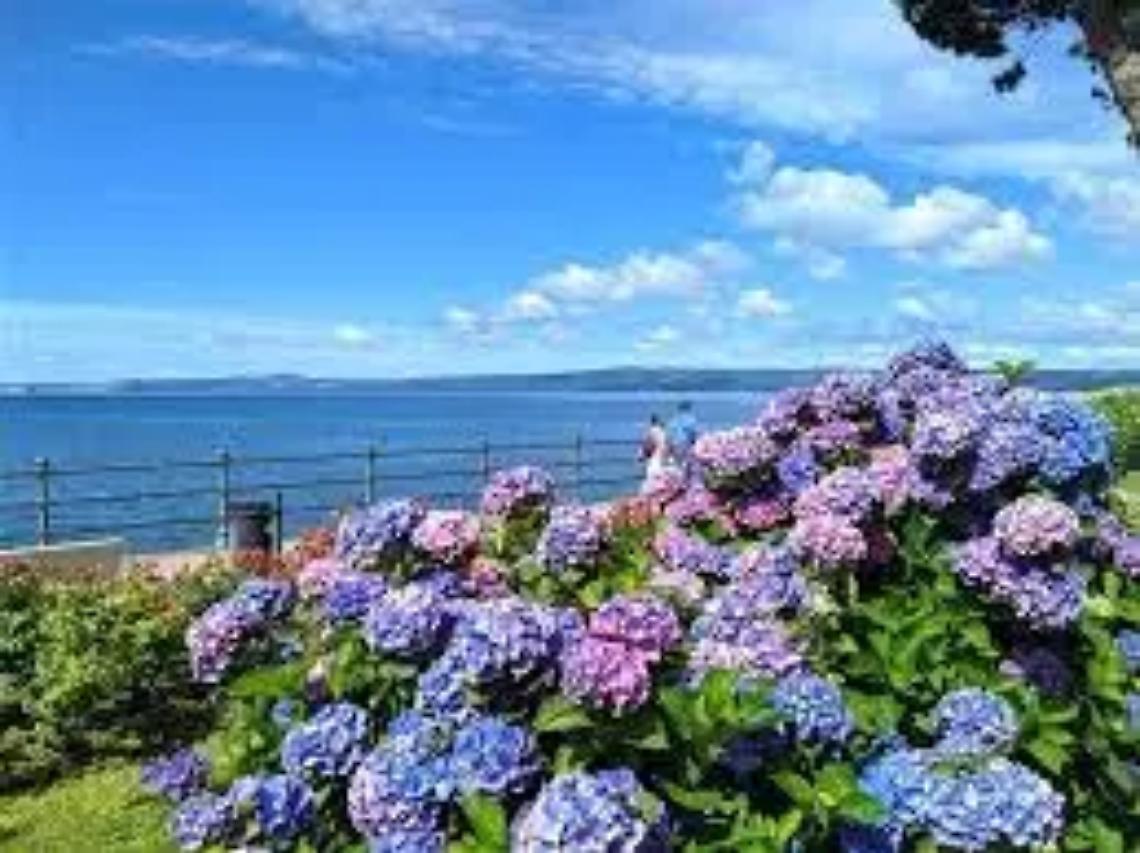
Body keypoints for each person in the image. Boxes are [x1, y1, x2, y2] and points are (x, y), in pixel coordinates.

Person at [668, 401, 698, 475]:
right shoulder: (691, 420)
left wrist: (670, 448)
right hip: (685, 445)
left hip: (674, 446)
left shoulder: (673, 420)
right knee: (687, 468)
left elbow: (669, 436)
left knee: (677, 466)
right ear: (688, 409)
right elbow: (693, 435)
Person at [639, 414, 670, 482]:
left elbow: (647, 445)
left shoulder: (651, 431)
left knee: (653, 477)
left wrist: (641, 456)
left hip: (656, 459)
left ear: (651, 422)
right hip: (664, 458)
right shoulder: (663, 432)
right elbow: (668, 445)